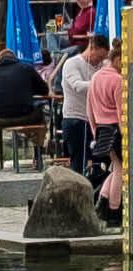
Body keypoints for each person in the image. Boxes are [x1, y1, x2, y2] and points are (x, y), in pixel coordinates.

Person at [0, 48, 48, 171]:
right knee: (41, 117)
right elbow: (44, 90)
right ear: (15, 58)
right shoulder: (27, 68)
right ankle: (38, 156)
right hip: (26, 116)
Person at [58, 35, 107, 170]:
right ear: (92, 48)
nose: (100, 61)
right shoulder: (71, 64)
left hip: (96, 120)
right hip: (76, 118)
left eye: (103, 58)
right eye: (99, 57)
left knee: (102, 160)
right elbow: (77, 86)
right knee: (79, 162)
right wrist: (102, 83)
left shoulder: (102, 65)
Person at [88, 38, 122, 219]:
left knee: (115, 167)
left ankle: (102, 200)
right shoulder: (118, 80)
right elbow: (122, 111)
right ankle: (114, 210)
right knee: (121, 169)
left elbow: (89, 108)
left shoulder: (95, 77)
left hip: (101, 128)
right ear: (117, 59)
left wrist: (95, 130)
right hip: (116, 128)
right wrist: (126, 134)